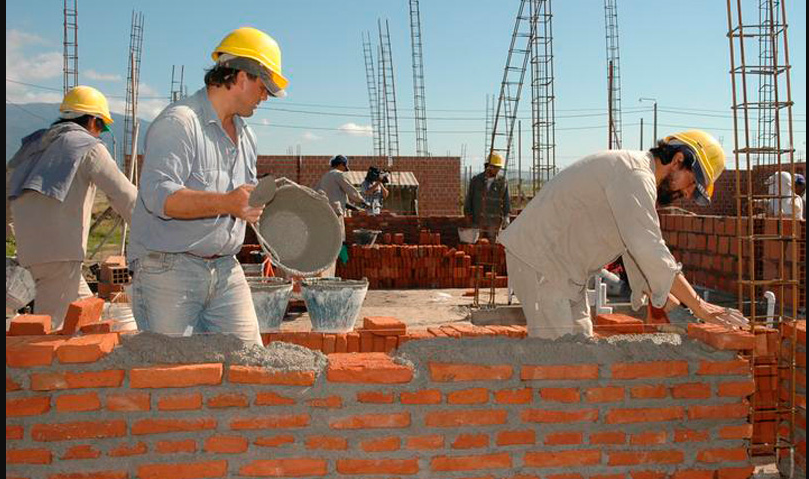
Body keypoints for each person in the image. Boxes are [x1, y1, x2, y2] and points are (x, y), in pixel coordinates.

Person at [127, 27, 289, 347]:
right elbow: (160, 198)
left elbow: (242, 202)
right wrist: (227, 203)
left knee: (249, 362)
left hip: (226, 269)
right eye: (263, 86)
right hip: (169, 270)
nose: (265, 96)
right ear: (242, 76)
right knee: (173, 374)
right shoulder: (180, 123)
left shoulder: (246, 138)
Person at [499, 130, 729, 339]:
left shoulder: (638, 177)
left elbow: (632, 245)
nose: (688, 194)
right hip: (541, 261)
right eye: (693, 183)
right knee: (558, 357)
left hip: (563, 271)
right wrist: (700, 307)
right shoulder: (635, 174)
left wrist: (658, 295)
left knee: (580, 345)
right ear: (678, 160)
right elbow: (647, 245)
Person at [6, 86, 137, 329]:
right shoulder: (88, 146)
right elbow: (124, 194)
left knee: (87, 311)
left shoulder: (32, 145)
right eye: (102, 127)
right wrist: (150, 234)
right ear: (92, 120)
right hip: (61, 255)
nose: (100, 133)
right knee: (53, 331)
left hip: (29, 253)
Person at [464, 152, 511, 240]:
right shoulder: (476, 181)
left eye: (499, 168)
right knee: (476, 244)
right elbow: (469, 198)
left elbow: (506, 200)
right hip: (478, 219)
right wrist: (467, 214)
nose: (497, 170)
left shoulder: (502, 182)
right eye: (496, 167)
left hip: (494, 221)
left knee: (493, 246)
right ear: (489, 166)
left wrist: (506, 216)